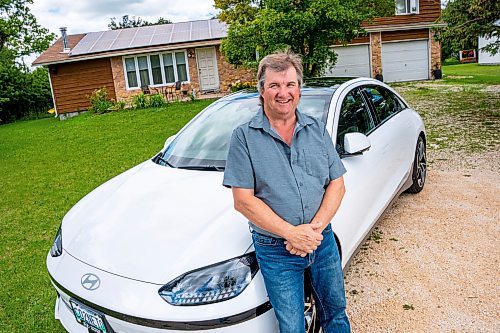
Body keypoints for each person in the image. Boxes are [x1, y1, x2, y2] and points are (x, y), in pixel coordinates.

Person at [223, 51, 350, 333]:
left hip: (322, 240)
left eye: (290, 84)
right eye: (274, 85)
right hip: (276, 249)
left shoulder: (316, 129)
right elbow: (243, 201)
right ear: (262, 90)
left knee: (336, 313)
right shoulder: (243, 138)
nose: (284, 93)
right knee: (292, 326)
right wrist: (291, 234)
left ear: (299, 88)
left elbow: (337, 184)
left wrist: (311, 232)